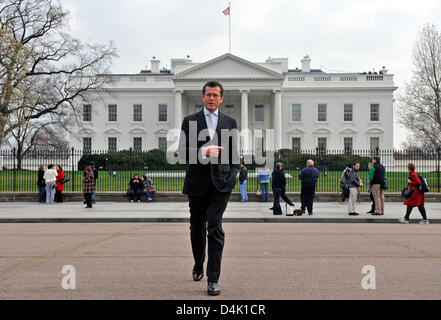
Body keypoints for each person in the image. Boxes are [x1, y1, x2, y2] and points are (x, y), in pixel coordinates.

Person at [178, 81, 240, 296]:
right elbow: (183, 152)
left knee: (215, 228)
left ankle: (213, 279)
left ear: (221, 98)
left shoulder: (229, 122)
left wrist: (232, 177)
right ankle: (198, 263)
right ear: (202, 98)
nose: (212, 98)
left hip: (221, 184)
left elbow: (234, 154)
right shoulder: (190, 121)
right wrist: (203, 152)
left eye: (216, 95)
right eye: (208, 95)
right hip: (197, 183)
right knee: (197, 228)